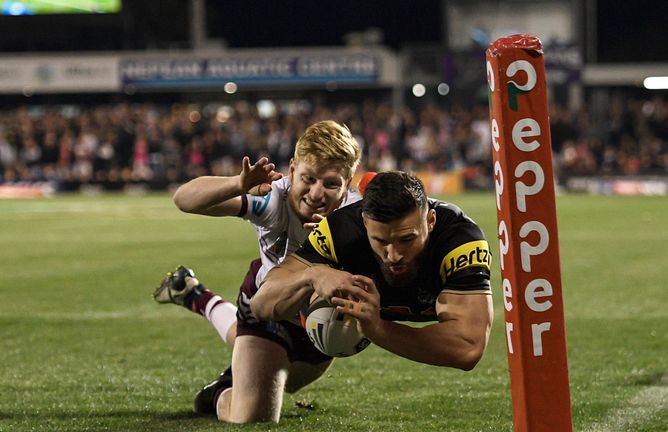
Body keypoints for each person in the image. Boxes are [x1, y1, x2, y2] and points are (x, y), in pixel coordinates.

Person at [152, 120, 362, 423]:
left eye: (330, 184)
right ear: (291, 170)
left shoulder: (359, 214)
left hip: (317, 321)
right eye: (309, 178)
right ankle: (222, 391)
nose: (317, 193)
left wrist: (343, 238)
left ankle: (197, 296)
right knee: (253, 416)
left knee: (286, 378)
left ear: (348, 183)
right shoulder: (272, 200)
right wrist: (237, 184)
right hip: (266, 306)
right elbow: (184, 199)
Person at [246, 171, 494, 409]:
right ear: (365, 223)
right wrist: (312, 275)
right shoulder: (340, 230)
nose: (393, 255)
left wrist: (379, 329)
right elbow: (261, 304)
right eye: (381, 241)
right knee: (271, 392)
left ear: (430, 221)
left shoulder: (461, 240)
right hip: (322, 326)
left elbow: (468, 347)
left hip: (380, 315)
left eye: (407, 240)